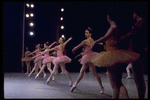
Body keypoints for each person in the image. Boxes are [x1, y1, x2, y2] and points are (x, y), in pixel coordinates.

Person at [90, 5, 141, 99]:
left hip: (112, 56)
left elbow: (105, 37)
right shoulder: (118, 28)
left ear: (108, 17)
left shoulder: (112, 27)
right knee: (117, 84)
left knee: (114, 85)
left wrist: (96, 42)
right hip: (117, 55)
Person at [119, 5, 147, 98]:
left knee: (138, 78)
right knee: (138, 78)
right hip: (139, 52)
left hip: (136, 52)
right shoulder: (143, 24)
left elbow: (130, 35)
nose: (132, 14)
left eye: (133, 13)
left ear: (136, 14)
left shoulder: (139, 24)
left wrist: (119, 39)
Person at [71, 27, 104, 94]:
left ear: (90, 34)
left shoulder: (85, 41)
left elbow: (77, 47)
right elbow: (95, 43)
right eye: (85, 32)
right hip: (90, 56)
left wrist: (73, 50)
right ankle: (75, 84)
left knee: (90, 72)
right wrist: (99, 43)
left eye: (87, 33)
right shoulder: (92, 40)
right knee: (84, 71)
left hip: (88, 57)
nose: (85, 34)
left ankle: (101, 87)